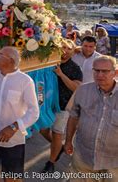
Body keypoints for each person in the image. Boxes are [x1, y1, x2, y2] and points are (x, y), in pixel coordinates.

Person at [0, 47, 39, 182]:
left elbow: (34, 112)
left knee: (11, 178)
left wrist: (14, 127)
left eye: (0, 55)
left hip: (13, 141)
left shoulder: (25, 81)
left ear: (11, 60)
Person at [65, 56, 118, 181]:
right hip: (84, 157)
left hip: (114, 161)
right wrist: (68, 141)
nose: (99, 75)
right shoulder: (83, 90)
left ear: (115, 73)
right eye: (96, 70)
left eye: (104, 71)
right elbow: (73, 117)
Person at [39, 40, 83, 173]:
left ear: (73, 51)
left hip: (63, 105)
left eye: (68, 48)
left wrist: (61, 74)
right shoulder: (49, 62)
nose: (65, 51)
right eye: (62, 47)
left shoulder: (75, 68)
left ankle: (51, 162)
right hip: (47, 104)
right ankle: (59, 147)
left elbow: (76, 87)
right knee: (43, 130)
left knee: (57, 133)